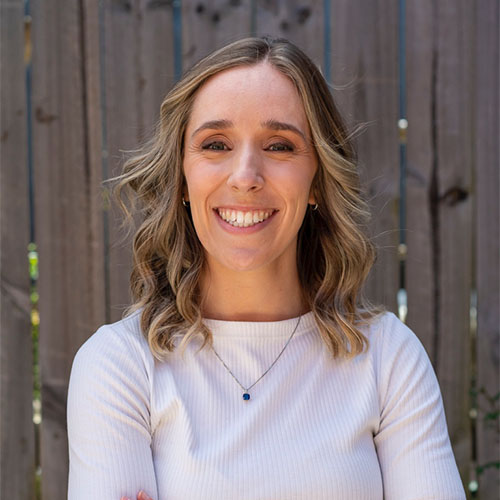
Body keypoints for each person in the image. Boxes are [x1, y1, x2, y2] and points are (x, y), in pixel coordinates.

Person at [67, 37, 465, 499]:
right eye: (215, 144)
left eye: (279, 146)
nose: (245, 176)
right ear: (182, 176)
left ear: (317, 178)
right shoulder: (120, 366)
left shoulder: (388, 358)